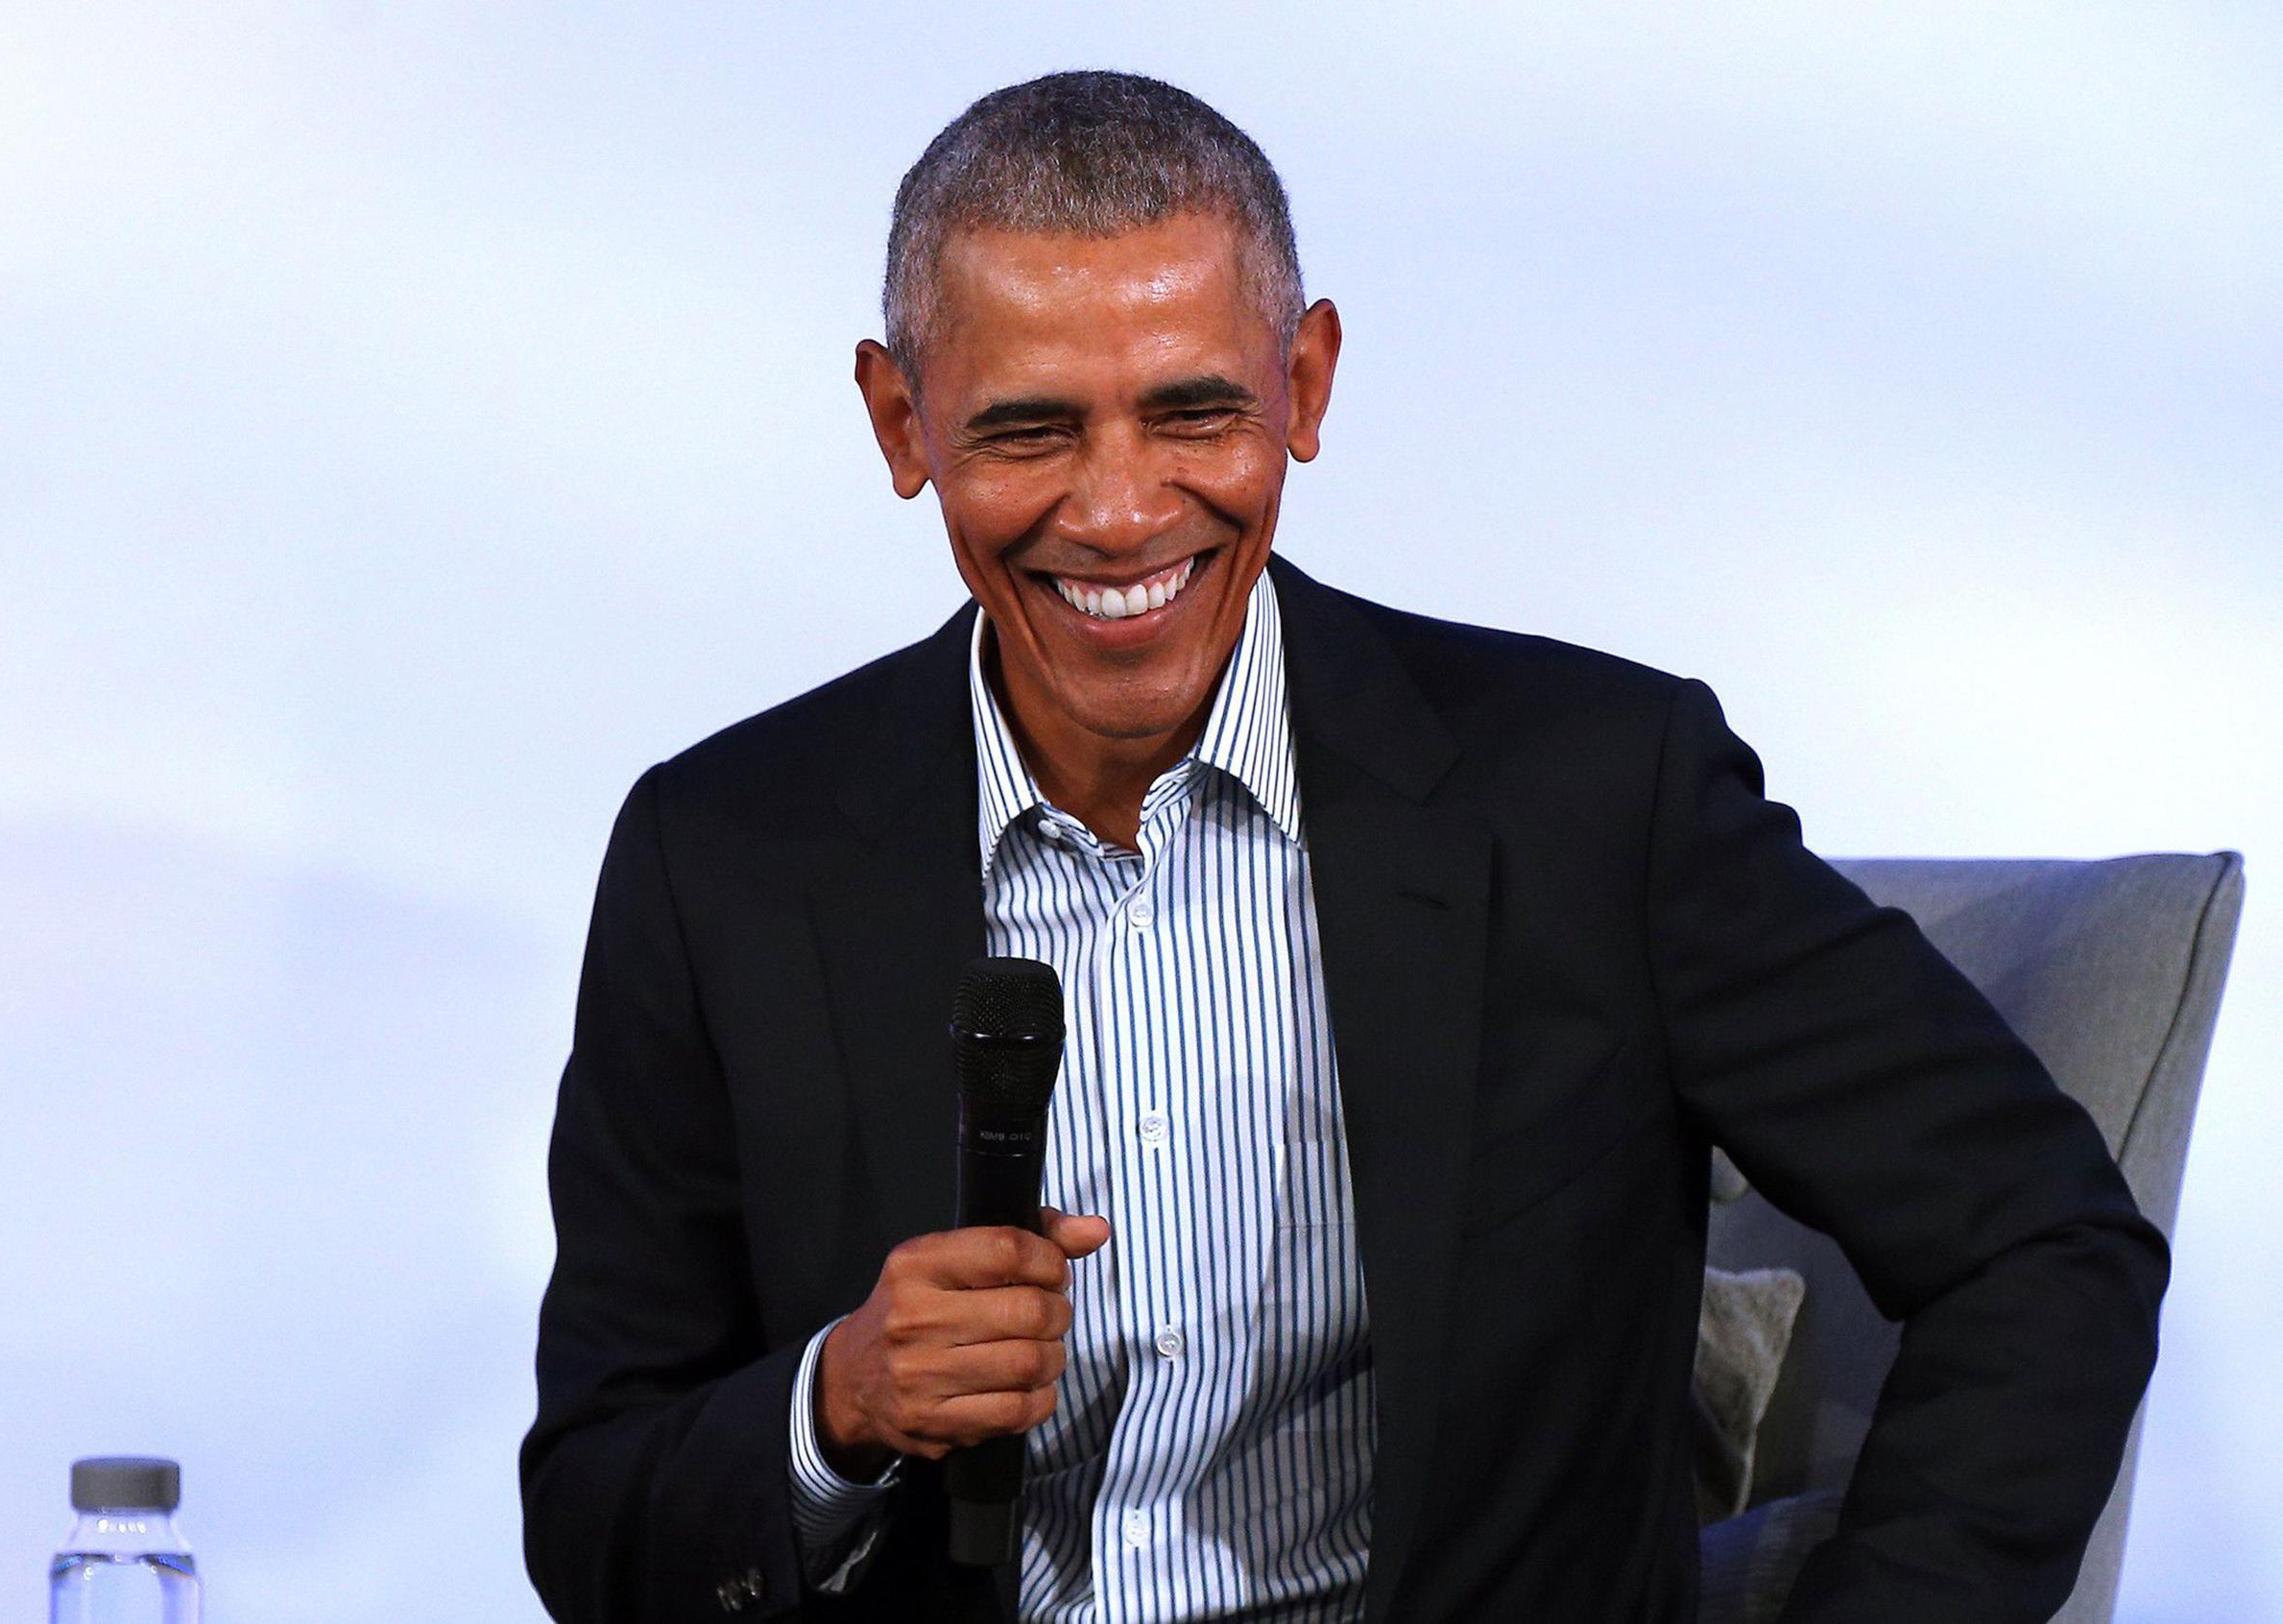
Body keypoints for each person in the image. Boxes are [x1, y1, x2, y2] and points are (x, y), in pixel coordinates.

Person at [520, 71, 2166, 1623]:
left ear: (1303, 386)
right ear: (900, 425)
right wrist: (841, 1403)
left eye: (1193, 413)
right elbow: (593, 1515)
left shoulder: (1594, 796)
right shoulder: (718, 858)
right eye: (1028, 432)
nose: (1120, 510)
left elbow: (2044, 1245)